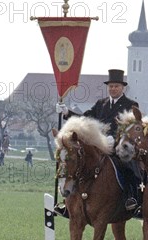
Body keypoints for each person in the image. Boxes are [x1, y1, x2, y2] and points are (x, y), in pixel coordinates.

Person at [55, 69, 140, 215]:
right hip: (99, 146)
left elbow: (130, 128)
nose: (113, 89)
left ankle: (131, 197)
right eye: (111, 86)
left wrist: (115, 139)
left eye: (116, 86)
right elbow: (86, 119)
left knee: (128, 166)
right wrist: (67, 113)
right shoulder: (101, 104)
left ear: (122, 88)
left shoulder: (130, 104)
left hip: (119, 147)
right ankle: (70, 203)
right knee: (77, 165)